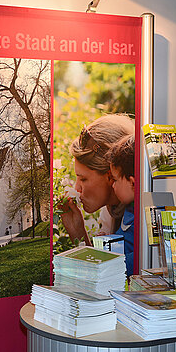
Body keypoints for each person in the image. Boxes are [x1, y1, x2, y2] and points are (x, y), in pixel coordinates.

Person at [59, 114, 134, 247]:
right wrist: (78, 233)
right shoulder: (109, 213)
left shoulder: (137, 217)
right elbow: (104, 266)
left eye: (83, 179)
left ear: (111, 173)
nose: (77, 188)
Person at [106, 134, 135, 275]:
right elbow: (122, 239)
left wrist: (115, 266)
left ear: (132, 183)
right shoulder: (129, 210)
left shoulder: (142, 216)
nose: (113, 186)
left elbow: (137, 258)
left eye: (116, 180)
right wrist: (107, 241)